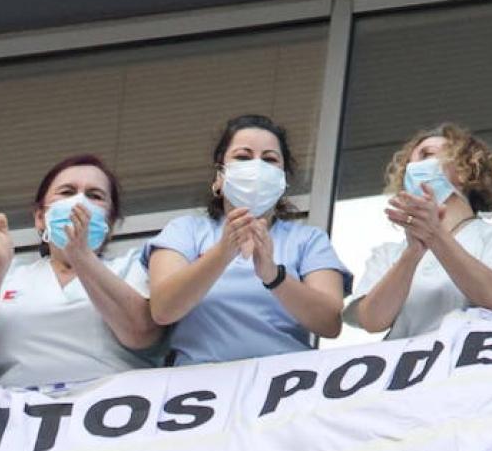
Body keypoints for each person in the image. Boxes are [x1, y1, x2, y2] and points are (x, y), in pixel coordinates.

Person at [0, 155, 165, 388]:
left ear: (110, 224)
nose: (79, 202)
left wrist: (83, 258)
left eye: (94, 196)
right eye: (67, 192)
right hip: (20, 417)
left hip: (112, 412)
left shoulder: (132, 266)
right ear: (40, 218)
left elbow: (142, 335)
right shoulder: (8, 277)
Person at [147, 114, 349, 363]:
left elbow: (330, 323)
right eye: (243, 157)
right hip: (197, 388)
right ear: (219, 177)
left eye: (270, 159)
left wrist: (274, 276)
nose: (257, 168)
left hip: (284, 385)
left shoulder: (308, 239)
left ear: (283, 180)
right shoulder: (185, 231)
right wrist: (222, 254)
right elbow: (162, 310)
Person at [346, 123, 492, 339]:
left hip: (475, 367)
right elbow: (372, 321)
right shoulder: (388, 253)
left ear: (467, 170)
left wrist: (435, 236)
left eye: (427, 155)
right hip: (411, 370)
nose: (413, 167)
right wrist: (412, 255)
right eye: (410, 163)